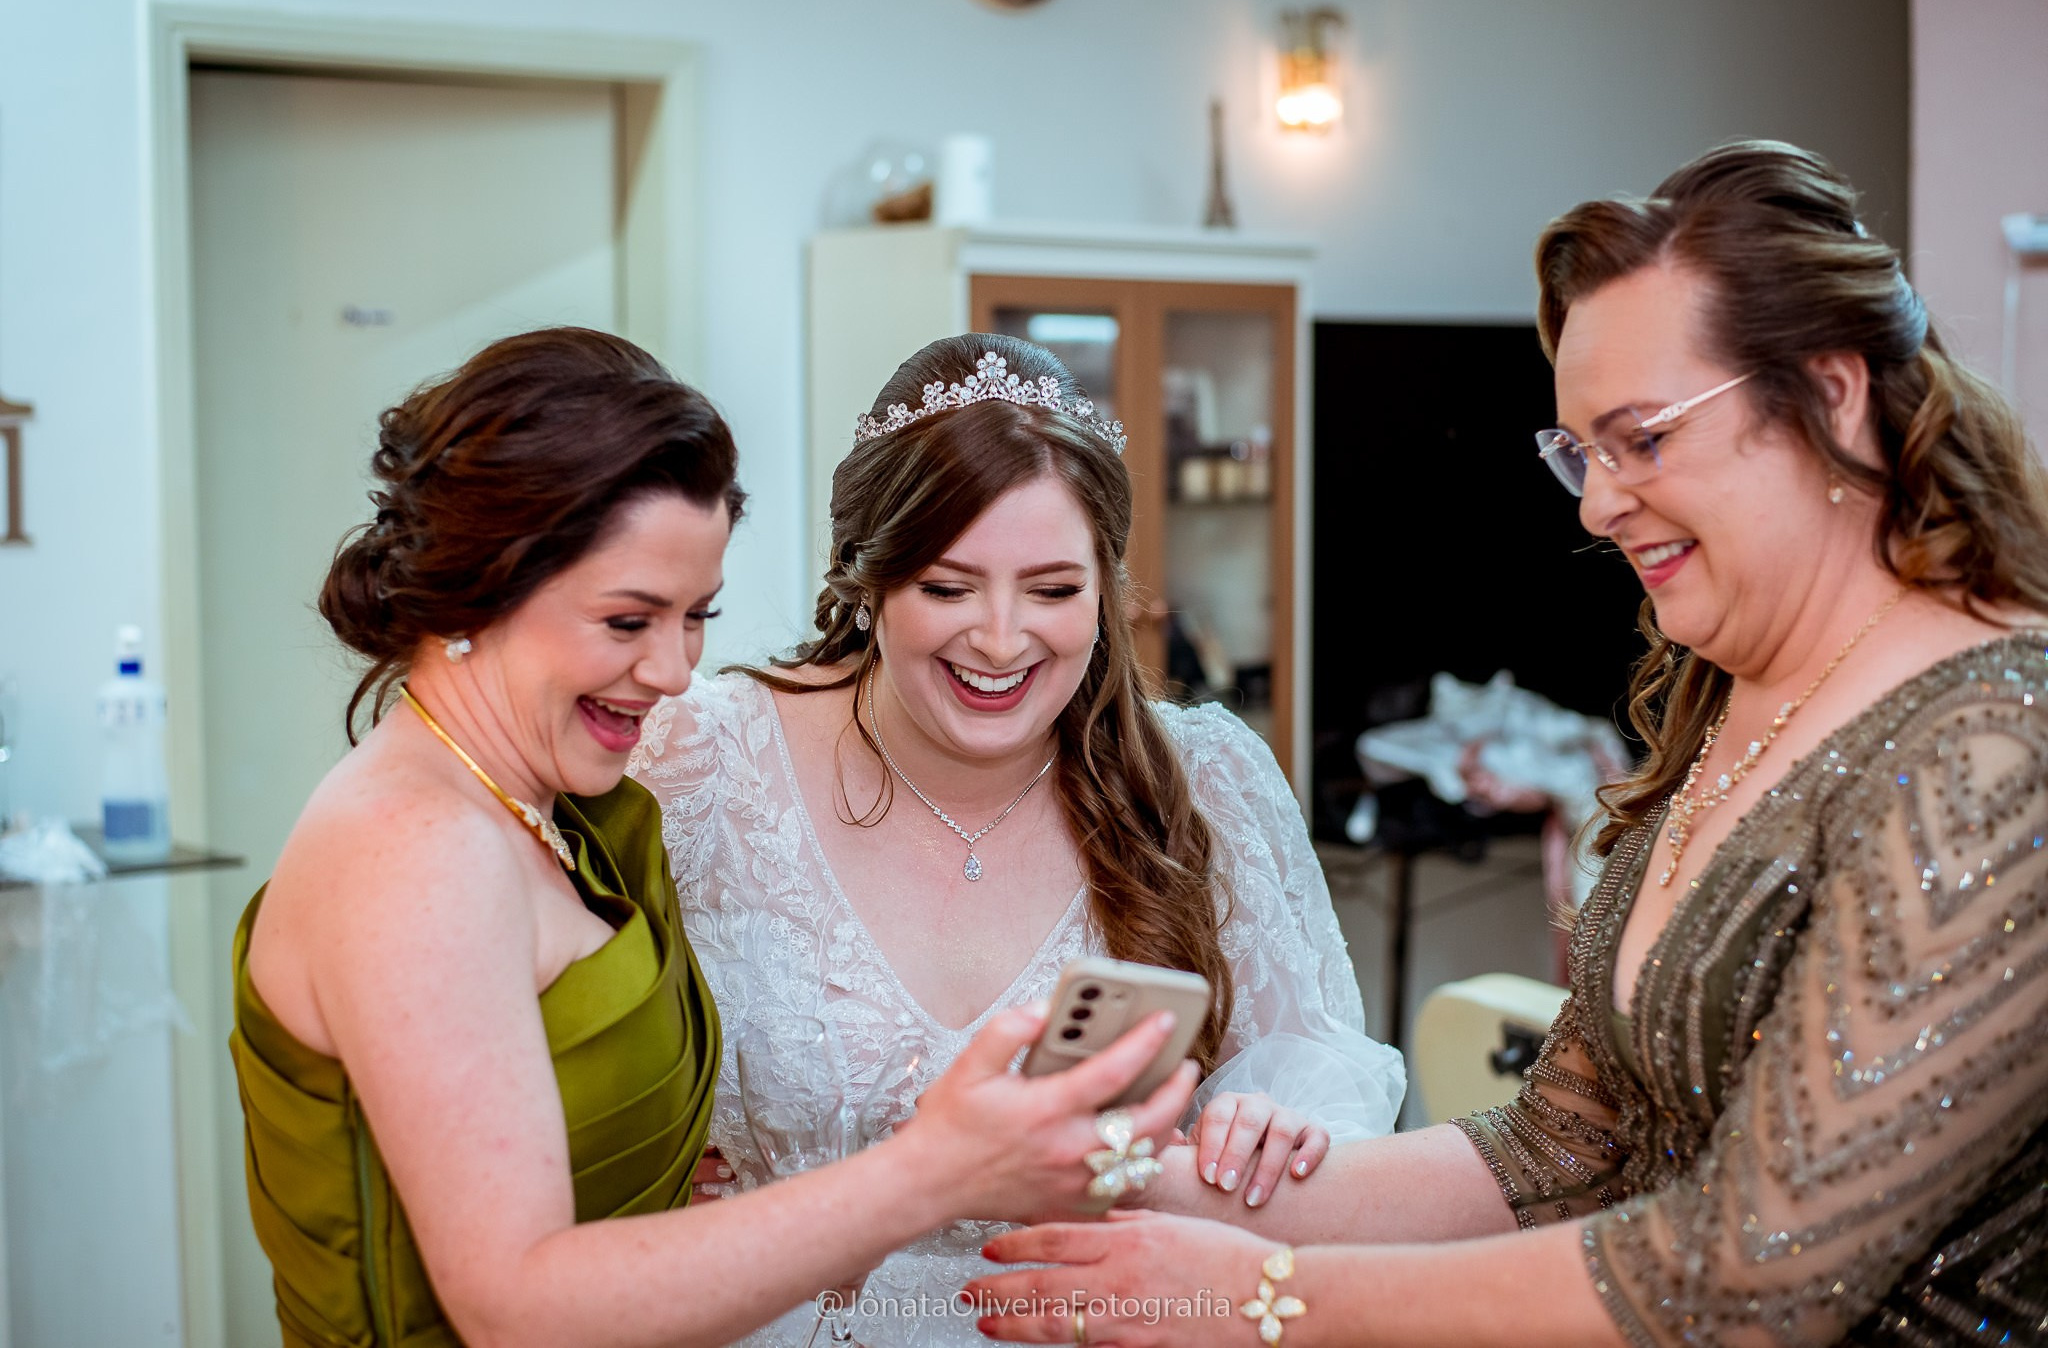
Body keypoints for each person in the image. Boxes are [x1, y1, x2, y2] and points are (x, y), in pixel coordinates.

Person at [963, 141, 2048, 1348]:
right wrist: (1147, 1183)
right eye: (1579, 451)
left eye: (1642, 437)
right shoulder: (1737, 692)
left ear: (1831, 395)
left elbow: (1745, 1275)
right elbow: (1556, 1150)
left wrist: (1261, 1296)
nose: (1594, 504)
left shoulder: (1994, 747)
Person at [228, 328, 1197, 1348]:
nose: (674, 669)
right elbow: (514, 1305)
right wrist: (933, 1170)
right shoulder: (414, 848)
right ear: (483, 583)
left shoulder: (537, 808)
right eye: (626, 619)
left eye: (695, 615)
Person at [628, 333, 1404, 1345]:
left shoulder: (1199, 778)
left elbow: (1308, 1059)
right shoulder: (701, 756)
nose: (999, 640)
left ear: (1105, 586)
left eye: (1050, 589)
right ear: (867, 581)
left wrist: (1274, 1129)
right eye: (947, 589)